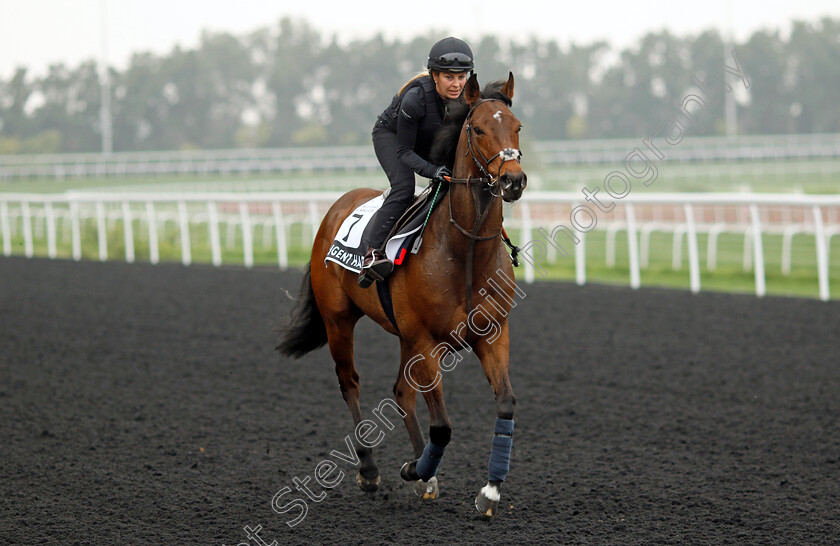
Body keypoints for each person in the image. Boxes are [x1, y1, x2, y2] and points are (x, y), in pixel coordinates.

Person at [358, 36, 474, 288]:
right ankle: (372, 254)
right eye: (449, 77)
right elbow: (405, 152)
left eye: (462, 77)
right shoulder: (415, 98)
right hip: (393, 137)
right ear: (434, 75)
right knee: (403, 188)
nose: (456, 84)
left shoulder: (467, 98)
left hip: (428, 137)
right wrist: (433, 171)